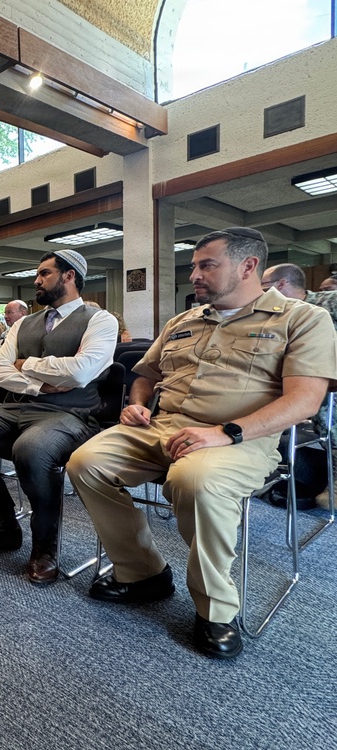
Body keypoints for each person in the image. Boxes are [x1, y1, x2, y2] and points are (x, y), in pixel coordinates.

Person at [66, 227, 337, 660]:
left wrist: (224, 433)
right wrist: (137, 405)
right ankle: (143, 572)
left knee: (196, 479)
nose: (194, 274)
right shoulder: (183, 321)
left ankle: (216, 609)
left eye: (206, 265)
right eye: (194, 265)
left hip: (243, 437)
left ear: (248, 266)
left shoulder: (300, 318)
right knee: (85, 462)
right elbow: (145, 375)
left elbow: (305, 400)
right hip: (164, 426)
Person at [0, 250, 117, 585]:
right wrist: (42, 385)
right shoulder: (23, 324)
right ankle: (2, 526)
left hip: (71, 414)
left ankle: (44, 549)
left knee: (32, 450)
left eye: (44, 273)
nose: (36, 280)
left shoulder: (100, 320)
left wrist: (25, 365)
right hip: (15, 408)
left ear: (69, 276)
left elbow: (81, 372)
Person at [261, 262, 337, 507]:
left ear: (281, 284)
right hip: (296, 378)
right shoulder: (273, 314)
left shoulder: (328, 302)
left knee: (329, 422)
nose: (260, 292)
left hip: (328, 379)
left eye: (264, 286)